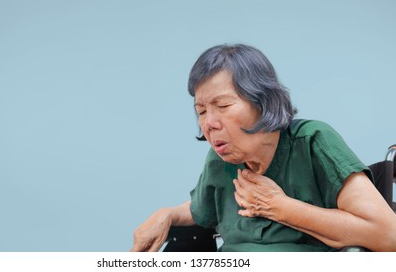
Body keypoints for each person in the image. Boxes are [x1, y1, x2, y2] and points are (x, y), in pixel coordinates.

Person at [131, 44, 396, 252]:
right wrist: (165, 215)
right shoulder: (221, 160)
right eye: (201, 111)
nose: (208, 123)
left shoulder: (314, 142)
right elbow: (201, 209)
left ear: (264, 102)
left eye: (222, 106)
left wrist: (281, 208)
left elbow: (389, 235)